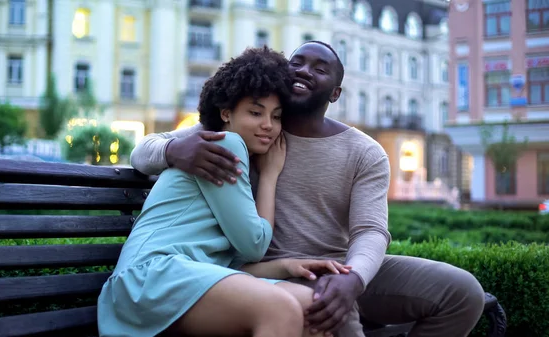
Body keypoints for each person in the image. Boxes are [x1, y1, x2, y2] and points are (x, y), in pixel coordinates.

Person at [129, 41, 487, 337]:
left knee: (462, 292)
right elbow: (142, 152)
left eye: (319, 68)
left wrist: (355, 279)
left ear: (336, 92)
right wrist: (173, 149)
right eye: (296, 62)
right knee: (327, 313)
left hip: (338, 266)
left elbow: (371, 231)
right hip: (265, 273)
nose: (303, 70)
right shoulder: (248, 129)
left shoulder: (364, 151)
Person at [97, 46, 352, 337]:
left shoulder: (242, 151)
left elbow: (223, 264)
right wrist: (269, 177)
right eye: (256, 113)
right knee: (279, 308)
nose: (268, 126)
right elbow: (254, 245)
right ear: (226, 112)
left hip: (189, 277)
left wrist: (286, 266)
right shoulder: (222, 145)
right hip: (149, 278)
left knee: (312, 308)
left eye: (277, 116)